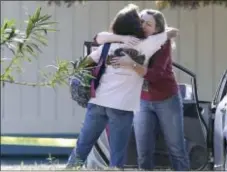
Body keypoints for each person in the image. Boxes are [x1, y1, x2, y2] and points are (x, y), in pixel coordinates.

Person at [65, 4, 168, 170]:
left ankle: (70, 169)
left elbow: (85, 61)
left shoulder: (107, 46)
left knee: (82, 146)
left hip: (98, 101)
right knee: (117, 154)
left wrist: (117, 41)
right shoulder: (146, 46)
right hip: (122, 106)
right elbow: (164, 35)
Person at [95, 9, 190, 171]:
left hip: (166, 99)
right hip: (142, 101)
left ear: (157, 29)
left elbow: (154, 75)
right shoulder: (132, 38)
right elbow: (98, 38)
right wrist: (120, 39)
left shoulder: (162, 43)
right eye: (141, 22)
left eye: (149, 24)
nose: (144, 26)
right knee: (144, 152)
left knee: (176, 148)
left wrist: (129, 63)